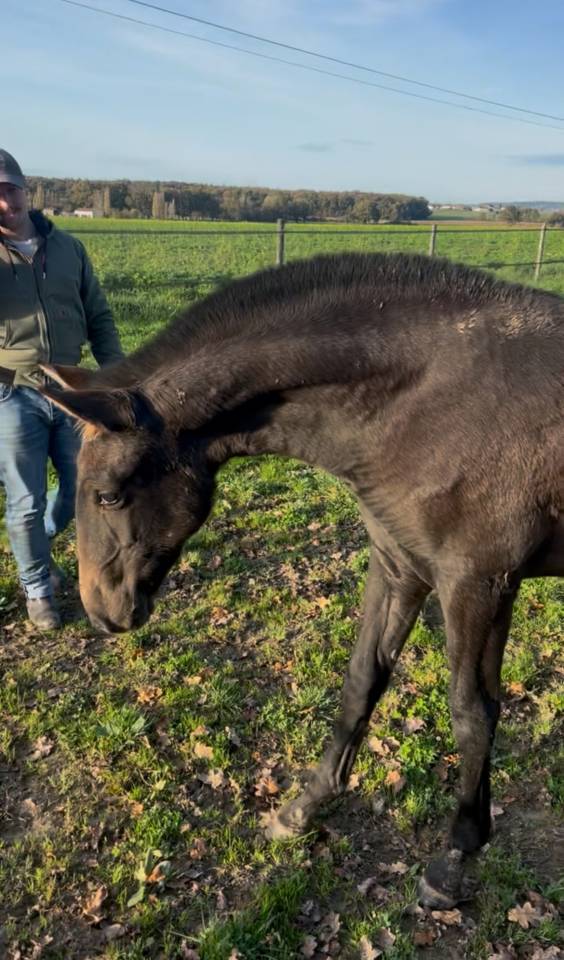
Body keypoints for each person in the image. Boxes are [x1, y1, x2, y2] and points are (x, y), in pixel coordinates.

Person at [0, 148, 124, 629]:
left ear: (27, 190)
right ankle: (36, 587)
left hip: (72, 391)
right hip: (11, 394)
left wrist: (116, 378)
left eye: (10, 190)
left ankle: (39, 545)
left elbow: (99, 315)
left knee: (79, 489)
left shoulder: (70, 249)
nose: (5, 203)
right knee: (25, 500)